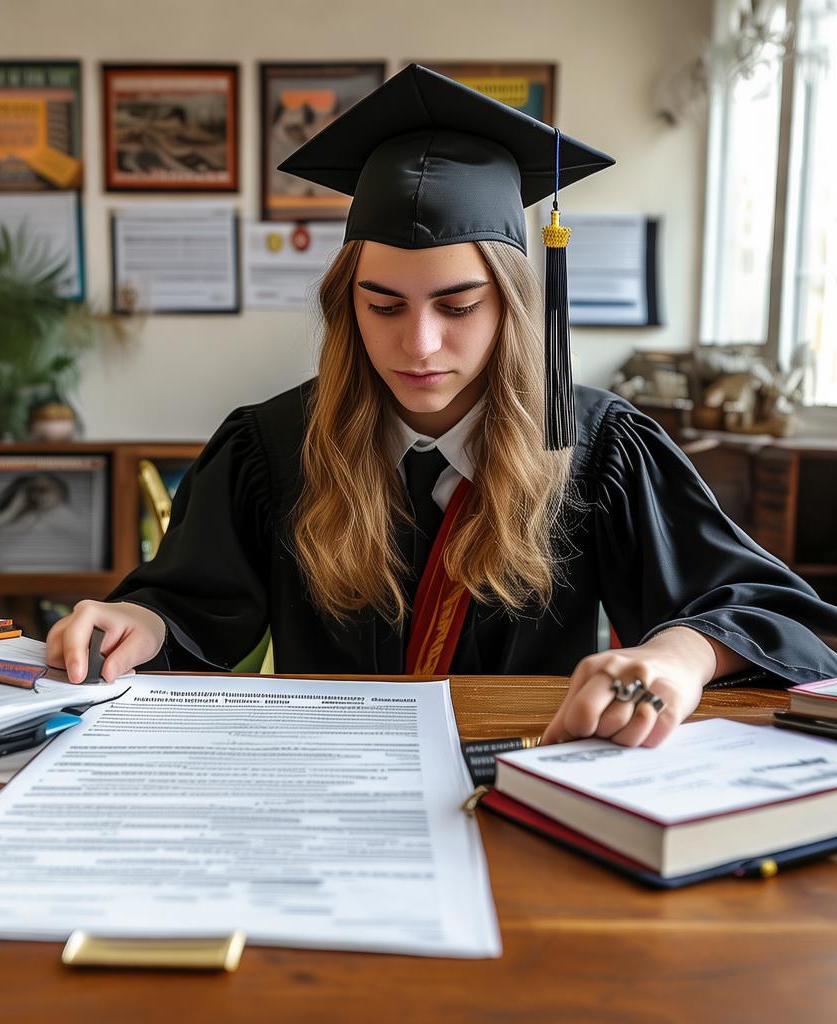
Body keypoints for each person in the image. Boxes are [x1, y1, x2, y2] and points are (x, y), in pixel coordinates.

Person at [48, 65, 837, 748]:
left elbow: (771, 614)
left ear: (514, 307)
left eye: (458, 307)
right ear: (344, 304)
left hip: (533, 781)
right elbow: (190, 605)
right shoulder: (274, 446)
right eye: (382, 305)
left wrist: (676, 658)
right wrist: (142, 624)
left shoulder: (600, 448)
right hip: (322, 780)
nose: (419, 345)